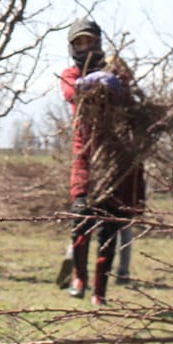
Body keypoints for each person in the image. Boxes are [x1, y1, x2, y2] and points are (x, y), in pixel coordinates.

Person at [58, 18, 145, 306]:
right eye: (78, 42)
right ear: (72, 47)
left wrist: (115, 81)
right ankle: (79, 277)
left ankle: (99, 292)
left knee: (109, 226)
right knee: (81, 220)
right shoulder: (70, 73)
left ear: (98, 41)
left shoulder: (115, 69)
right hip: (85, 158)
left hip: (113, 158)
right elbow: (72, 92)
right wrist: (91, 81)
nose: (84, 46)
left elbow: (127, 100)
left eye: (88, 41)